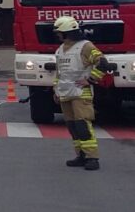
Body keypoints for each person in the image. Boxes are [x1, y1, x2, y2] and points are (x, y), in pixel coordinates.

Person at [52, 15, 108, 171]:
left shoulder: (86, 46)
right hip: (65, 93)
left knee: (82, 124)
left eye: (59, 32)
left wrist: (90, 80)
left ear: (67, 32)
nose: (57, 35)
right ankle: (81, 155)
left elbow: (102, 63)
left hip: (80, 93)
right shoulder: (60, 50)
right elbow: (60, 73)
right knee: (72, 126)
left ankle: (92, 157)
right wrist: (56, 90)